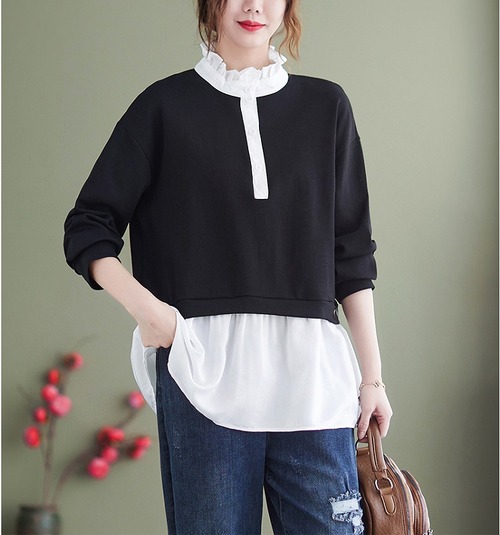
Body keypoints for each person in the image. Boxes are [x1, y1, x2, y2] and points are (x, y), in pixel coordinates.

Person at [64, 0, 393, 533]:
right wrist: (151, 313)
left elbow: (351, 253)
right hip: (204, 372)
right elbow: (88, 225)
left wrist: (372, 378)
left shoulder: (326, 106)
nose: (253, 5)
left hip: (311, 377)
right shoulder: (163, 107)